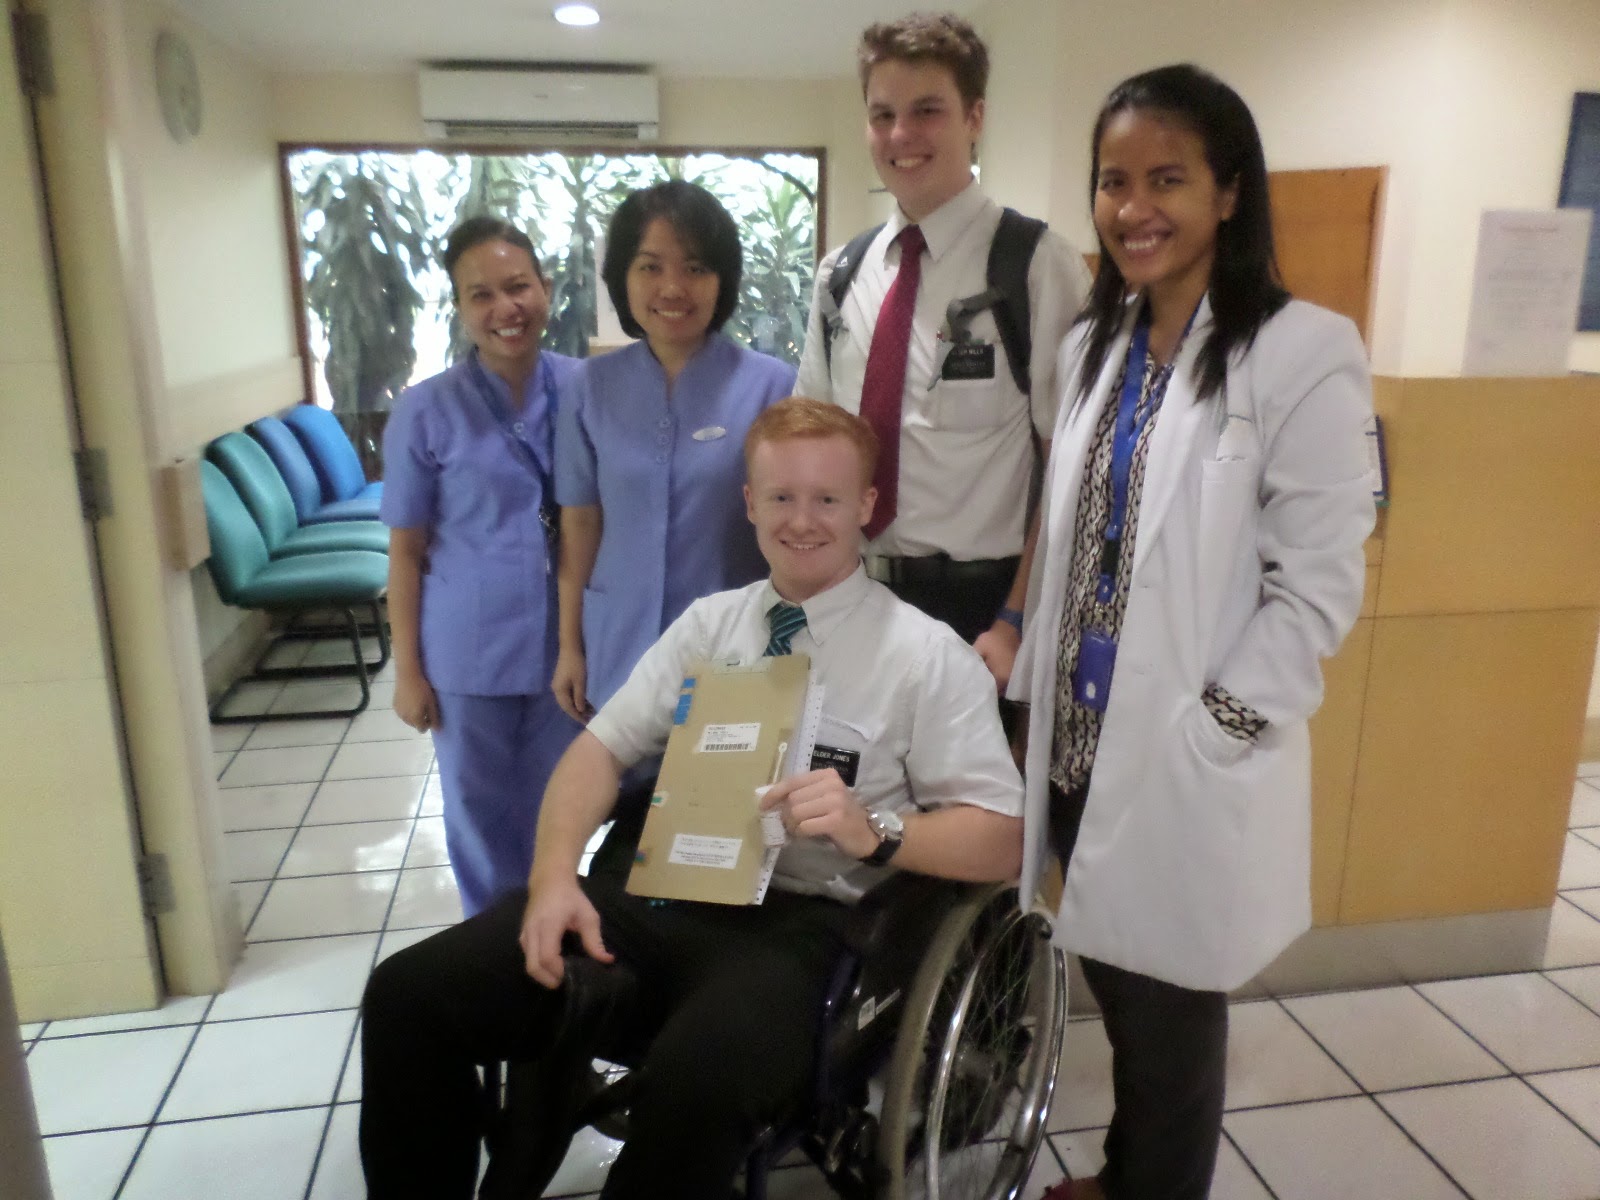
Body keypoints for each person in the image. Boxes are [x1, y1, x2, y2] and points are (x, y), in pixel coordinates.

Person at [360, 398, 1024, 1200]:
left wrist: (876, 829)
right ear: (749, 503)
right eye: (780, 497)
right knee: (407, 995)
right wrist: (553, 878)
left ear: (867, 507)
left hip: (806, 927)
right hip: (666, 894)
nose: (802, 520)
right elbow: (598, 752)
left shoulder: (926, 657)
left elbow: (1004, 839)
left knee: (694, 1086)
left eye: (827, 498)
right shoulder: (710, 626)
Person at [1013, 66, 1375, 1200]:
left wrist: (1218, 723)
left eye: (1166, 179)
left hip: (1180, 745)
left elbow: (1316, 587)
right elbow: (1074, 535)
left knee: (1169, 1010)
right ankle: (1127, 1173)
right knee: (1118, 980)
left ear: (1228, 192)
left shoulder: (1301, 350)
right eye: (1112, 181)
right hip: (1079, 736)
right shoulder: (1094, 344)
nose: (1133, 208)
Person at [795, 11, 1090, 685]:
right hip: (852, 597)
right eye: (882, 115)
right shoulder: (842, 276)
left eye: (927, 110)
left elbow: (1068, 467)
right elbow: (813, 443)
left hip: (982, 614)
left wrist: (1016, 620)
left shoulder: (1036, 266)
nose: (901, 135)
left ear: (974, 116)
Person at [380, 216, 582, 918]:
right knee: (481, 820)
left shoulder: (587, 389)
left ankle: (554, 935)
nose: (506, 308)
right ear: (461, 308)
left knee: (562, 811)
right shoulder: (424, 410)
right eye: (481, 295)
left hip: (569, 648)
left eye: (518, 286)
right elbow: (404, 552)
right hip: (467, 655)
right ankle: (494, 950)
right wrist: (408, 672)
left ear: (546, 287)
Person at [551, 180, 796, 723]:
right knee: (621, 772)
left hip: (737, 645)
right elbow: (580, 524)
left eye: (695, 268)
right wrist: (570, 646)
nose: (672, 287)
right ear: (622, 276)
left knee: (723, 772)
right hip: (619, 640)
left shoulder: (773, 387)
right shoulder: (587, 388)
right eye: (650, 266)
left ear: (722, 278)